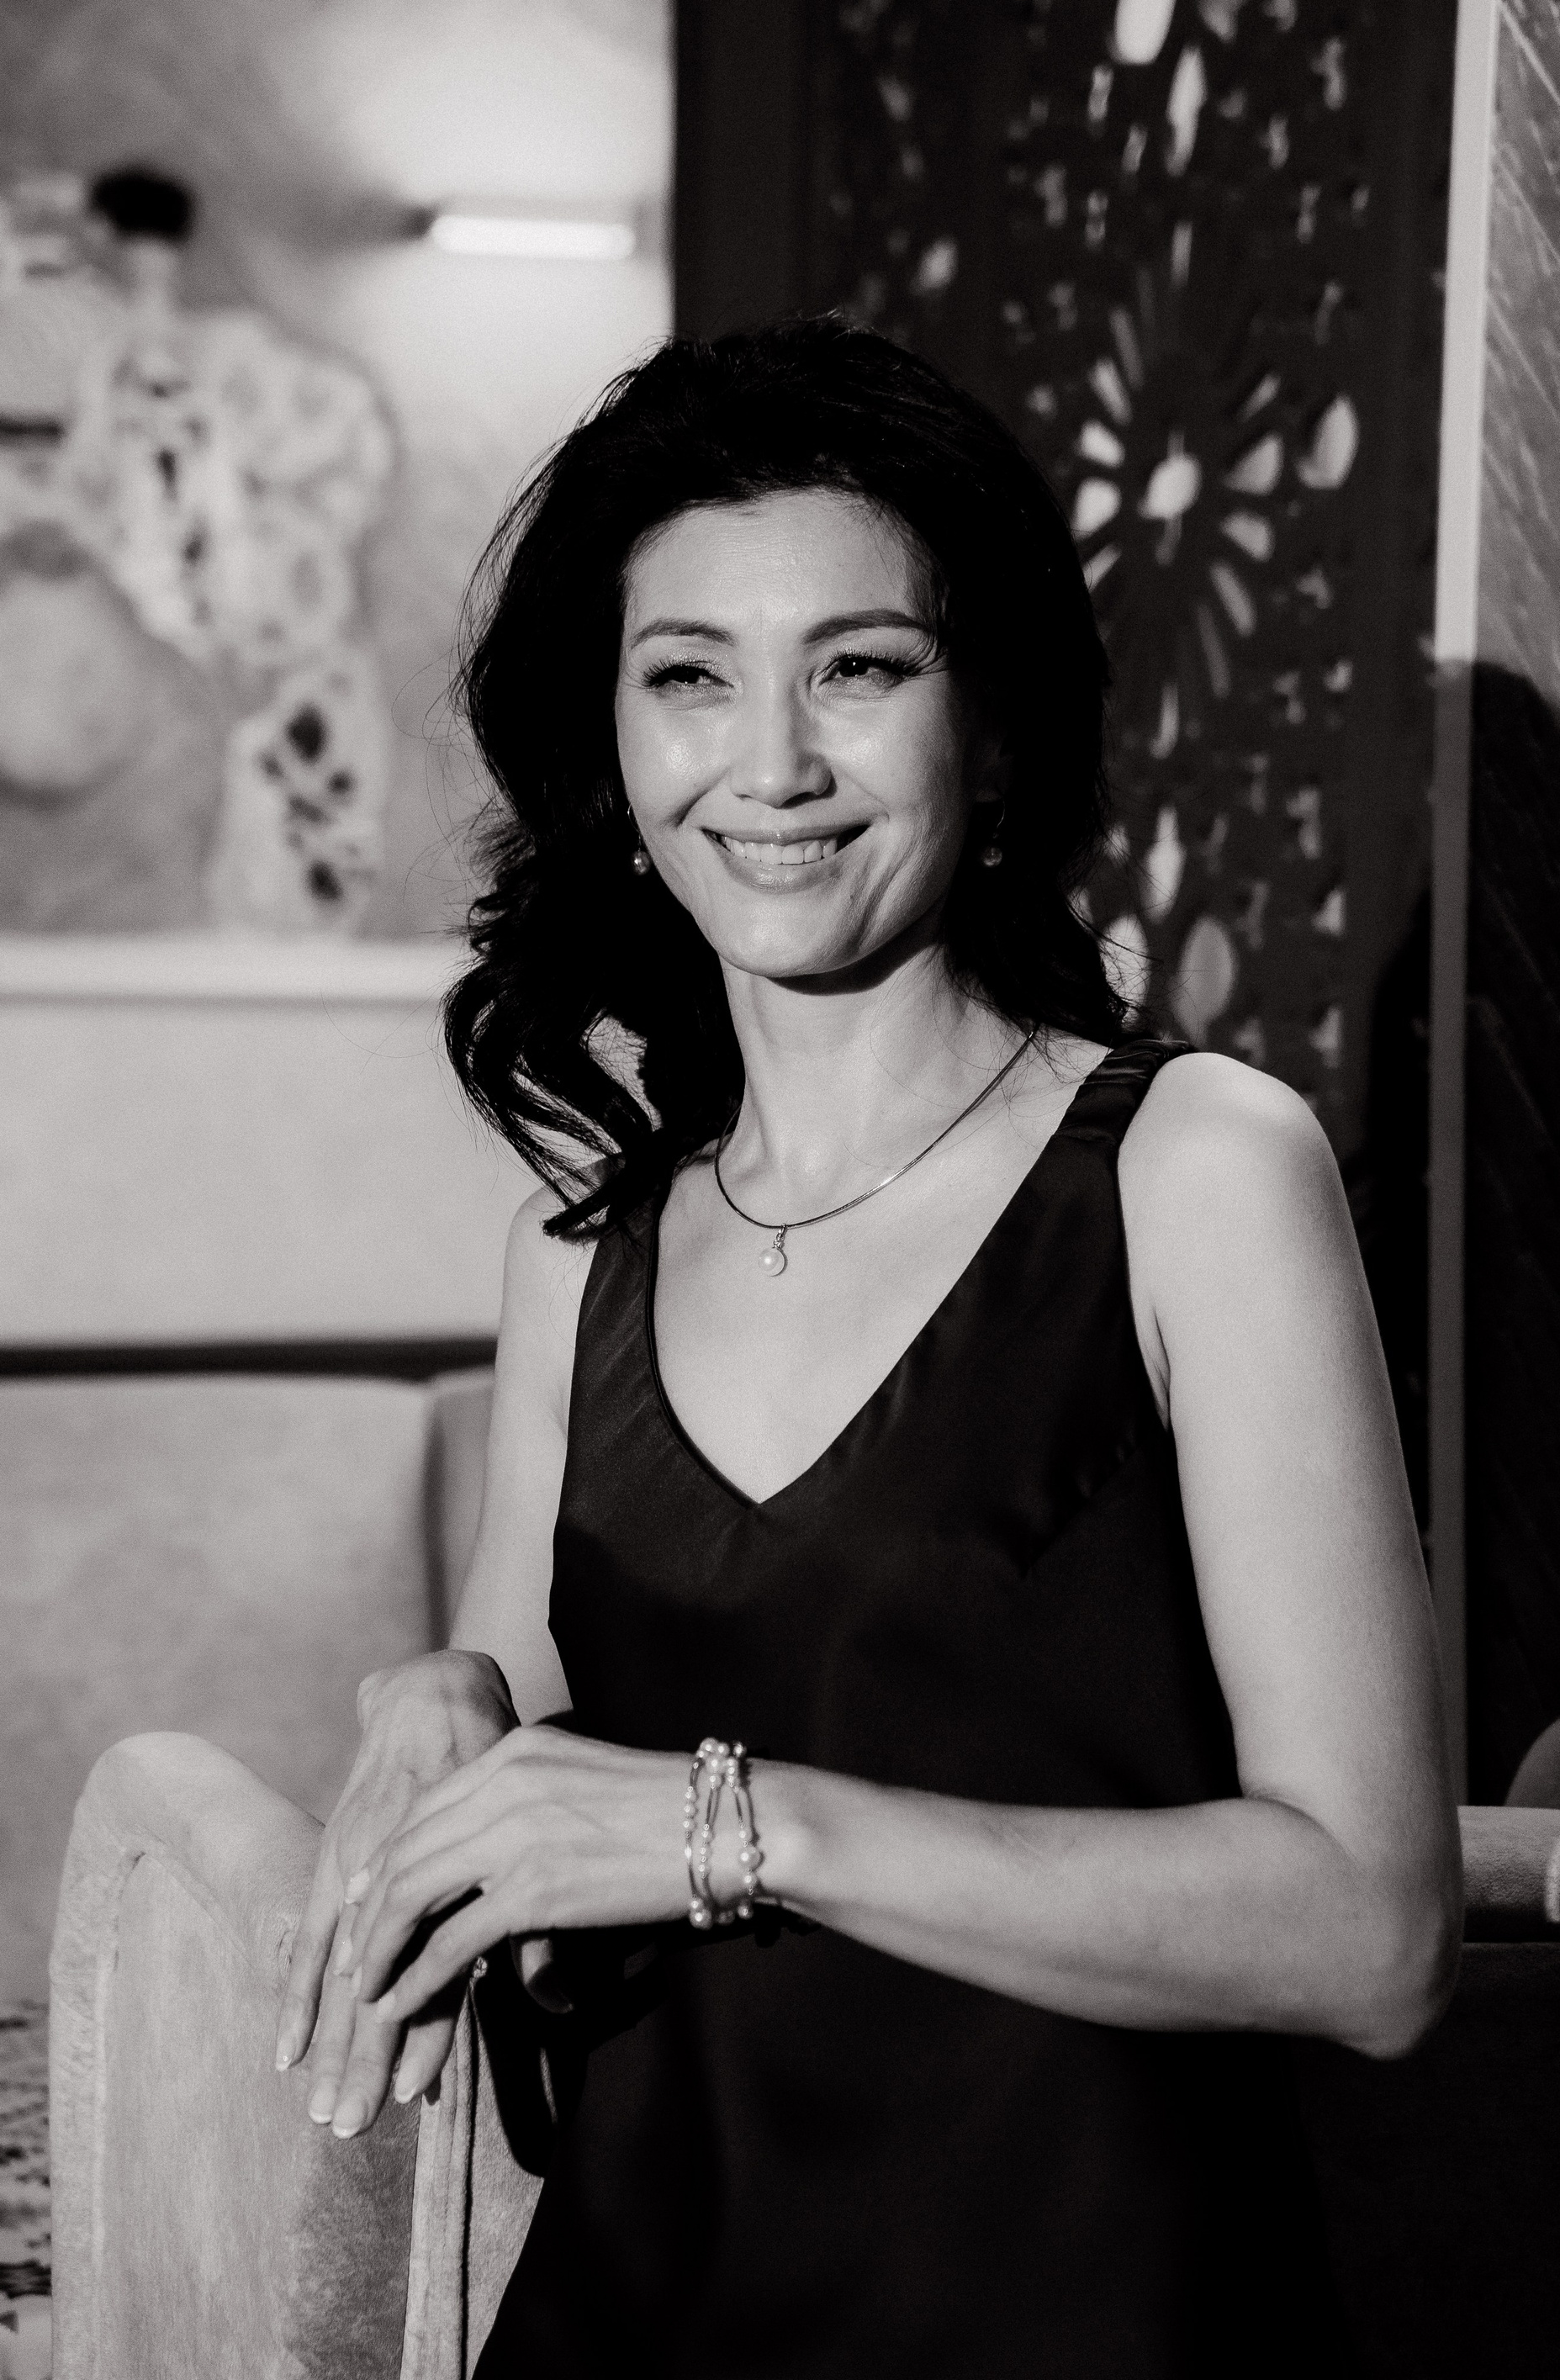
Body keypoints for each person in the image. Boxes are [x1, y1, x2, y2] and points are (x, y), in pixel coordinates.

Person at [272, 317, 1460, 2376]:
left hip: (1089, 2318)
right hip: (640, 2308)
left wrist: (743, 1827)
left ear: (993, 731)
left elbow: (1373, 1931)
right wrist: (443, 1697)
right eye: (689, 677)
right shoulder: (580, 1257)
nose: (773, 765)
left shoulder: (1195, 1168)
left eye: (860, 667)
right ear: (612, 758)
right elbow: (545, 1829)